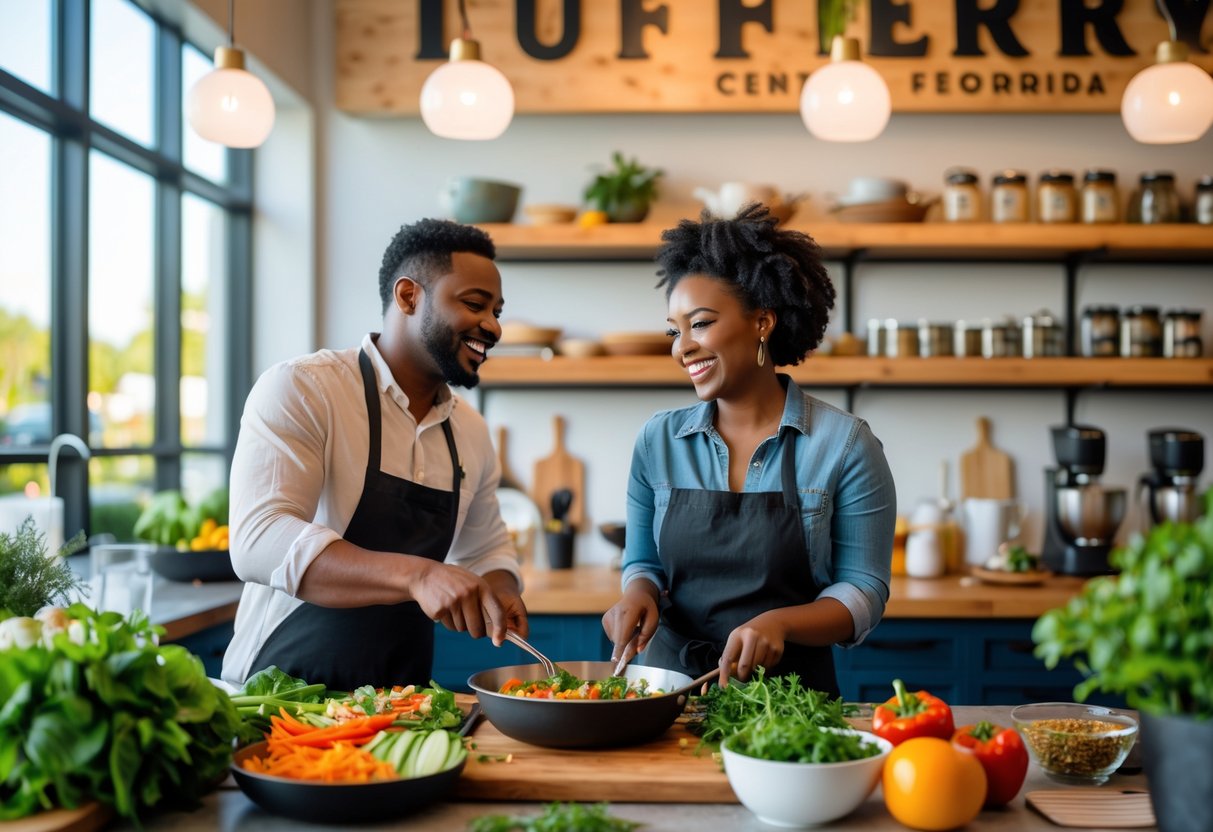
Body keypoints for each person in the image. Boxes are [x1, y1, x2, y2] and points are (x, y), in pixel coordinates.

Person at [221, 218, 527, 690]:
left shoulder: (471, 430)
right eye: (474, 304)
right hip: (279, 703)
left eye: (497, 311)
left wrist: (502, 588)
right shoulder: (304, 389)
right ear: (408, 297)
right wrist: (417, 576)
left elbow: (485, 548)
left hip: (401, 708)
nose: (492, 326)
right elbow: (258, 539)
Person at [602, 204, 896, 695]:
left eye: (700, 323)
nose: (682, 347)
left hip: (789, 701)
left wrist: (780, 624)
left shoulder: (844, 445)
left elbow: (864, 591)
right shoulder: (658, 440)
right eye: (674, 330)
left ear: (762, 321)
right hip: (665, 691)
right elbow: (643, 563)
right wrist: (637, 593)